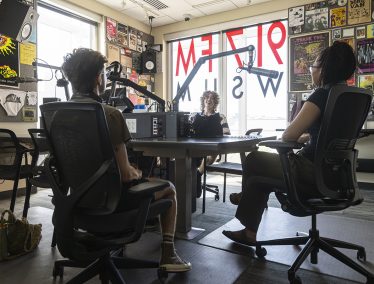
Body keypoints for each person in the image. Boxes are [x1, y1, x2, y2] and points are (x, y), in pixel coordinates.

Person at [61, 48, 191, 273]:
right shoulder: (110, 114)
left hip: (76, 203)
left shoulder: (58, 115)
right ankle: (168, 254)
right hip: (111, 204)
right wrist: (137, 173)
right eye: (102, 74)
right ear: (97, 78)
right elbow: (125, 175)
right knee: (169, 188)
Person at [223, 41, 356, 245]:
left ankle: (244, 196)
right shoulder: (350, 98)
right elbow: (328, 137)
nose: (311, 70)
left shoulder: (322, 94)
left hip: (313, 173)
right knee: (258, 180)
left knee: (254, 159)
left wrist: (296, 136)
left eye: (313, 66)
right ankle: (249, 232)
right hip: (340, 177)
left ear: (323, 70)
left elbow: (287, 136)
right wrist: (308, 138)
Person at [190, 90, 230, 197]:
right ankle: (193, 179)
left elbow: (226, 133)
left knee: (213, 151)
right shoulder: (195, 116)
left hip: (212, 148)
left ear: (215, 103)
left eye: (212, 98)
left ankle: (198, 174)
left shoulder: (220, 117)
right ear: (203, 100)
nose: (209, 100)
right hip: (196, 147)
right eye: (207, 97)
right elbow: (188, 132)